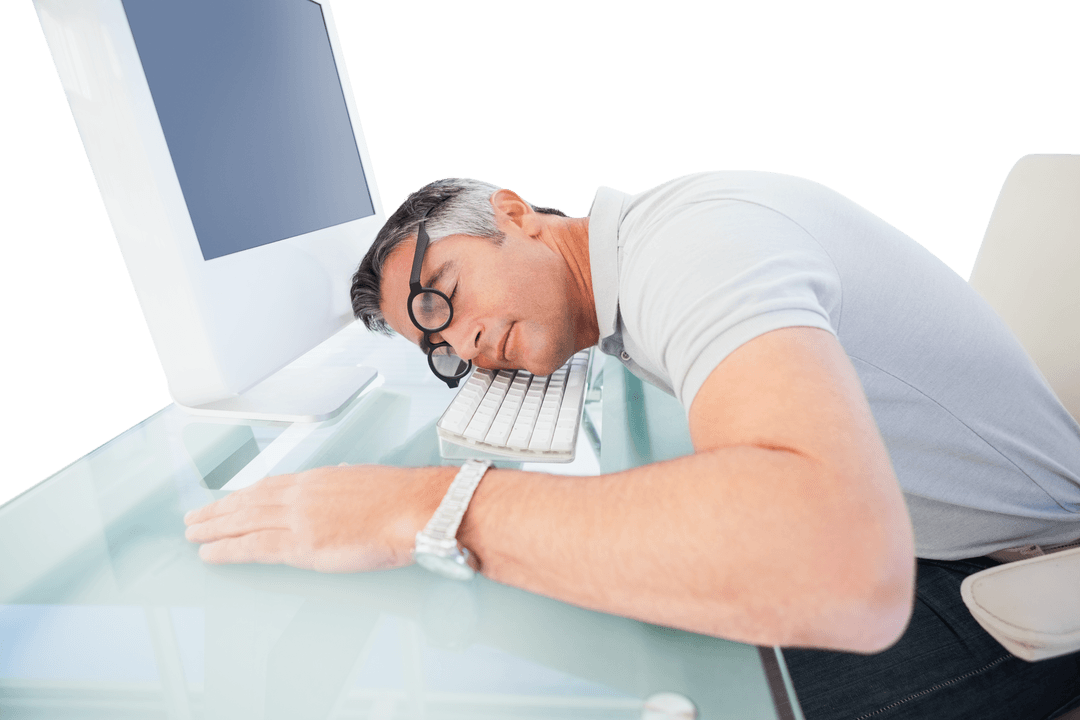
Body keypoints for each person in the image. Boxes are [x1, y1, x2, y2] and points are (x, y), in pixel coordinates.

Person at [185, 173, 1080, 719]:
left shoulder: (695, 249)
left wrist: (423, 505)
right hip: (940, 537)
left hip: (1020, 579)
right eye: (440, 351)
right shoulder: (648, 258)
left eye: (440, 297)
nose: (460, 344)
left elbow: (837, 563)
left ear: (515, 213)